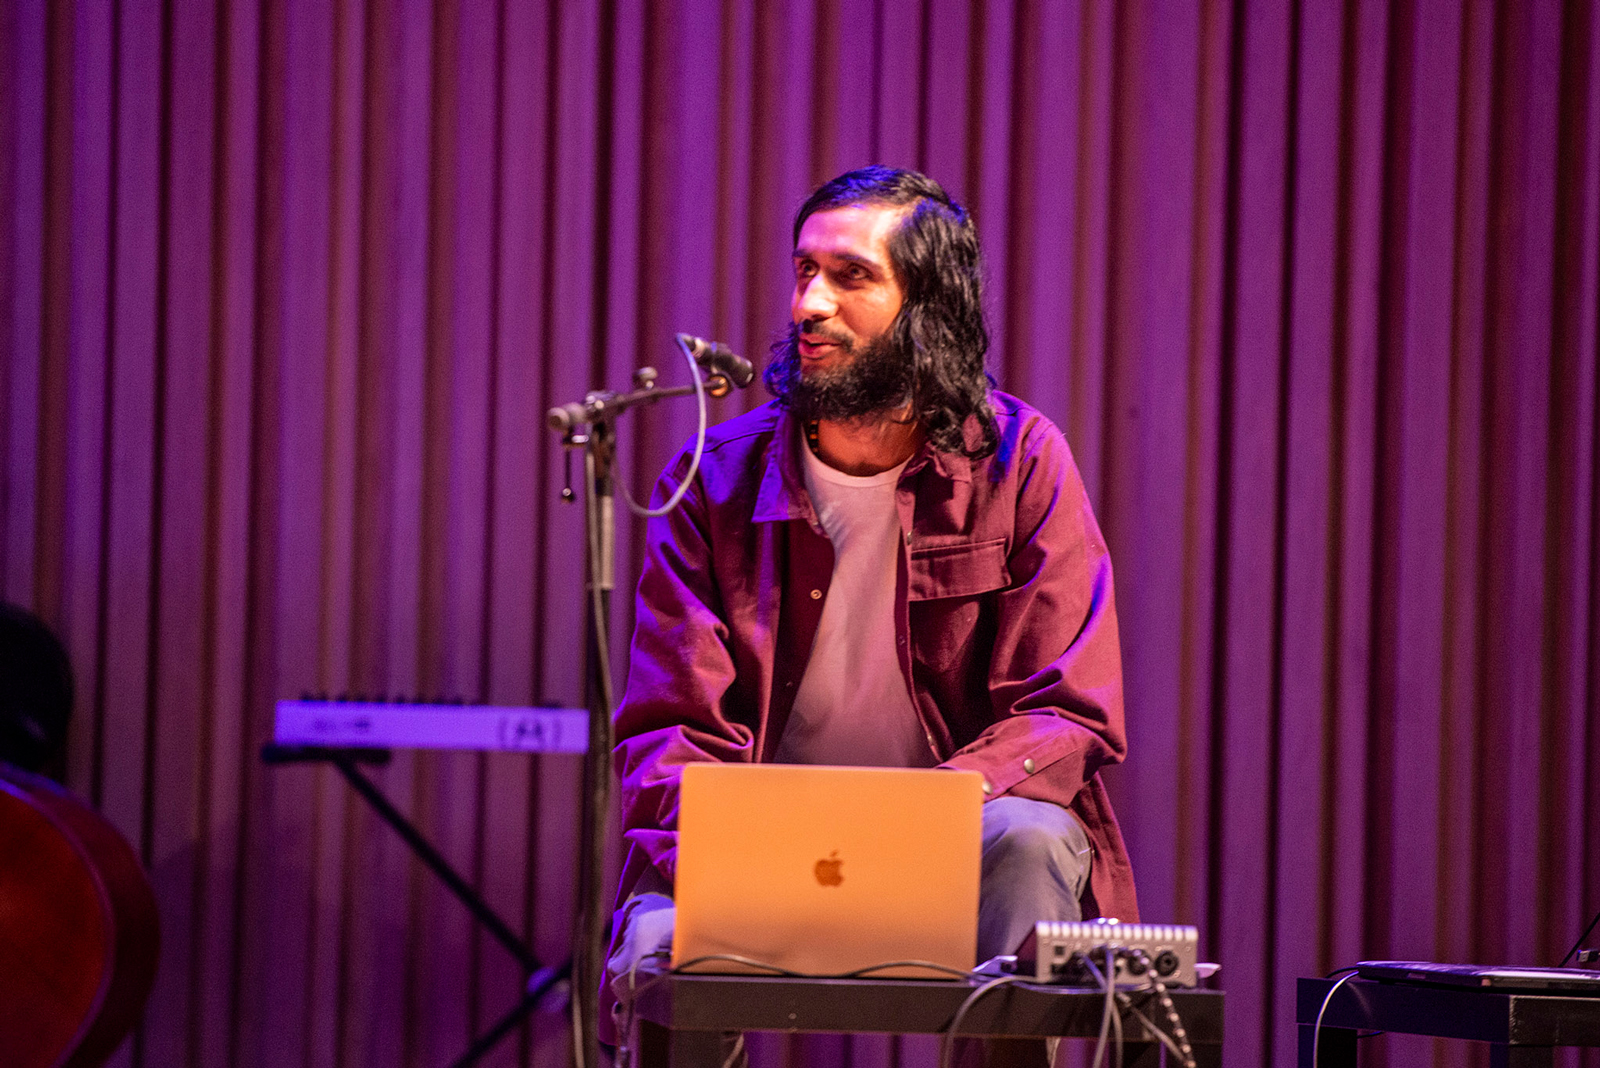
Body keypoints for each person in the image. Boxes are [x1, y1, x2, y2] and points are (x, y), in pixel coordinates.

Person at [604, 166, 1138, 1060]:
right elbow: (668, 732)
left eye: (850, 276)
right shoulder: (712, 479)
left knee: (1034, 837)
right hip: (760, 848)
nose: (809, 304)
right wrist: (763, 837)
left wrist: (912, 827)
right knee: (658, 946)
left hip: (963, 828)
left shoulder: (1022, 461)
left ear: (925, 305)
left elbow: (1067, 711)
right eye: (803, 271)